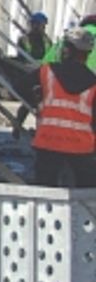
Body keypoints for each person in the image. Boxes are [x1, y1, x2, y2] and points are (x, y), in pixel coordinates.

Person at [30, 26, 96, 187]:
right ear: (87, 53)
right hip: (82, 146)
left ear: (67, 49)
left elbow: (19, 86)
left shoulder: (47, 71)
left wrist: (38, 102)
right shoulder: (93, 82)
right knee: (87, 194)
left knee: (44, 191)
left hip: (48, 141)